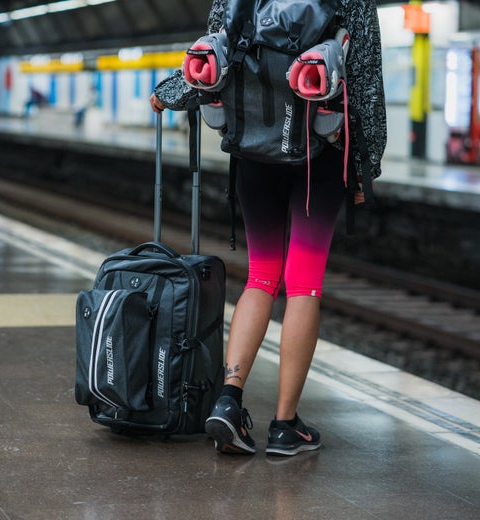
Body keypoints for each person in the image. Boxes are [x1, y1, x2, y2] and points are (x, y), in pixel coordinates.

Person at [149, 0, 387, 456]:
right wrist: (366, 165)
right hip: (321, 147)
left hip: (254, 147)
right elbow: (365, 82)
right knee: (303, 285)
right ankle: (284, 426)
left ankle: (228, 401)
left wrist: (170, 91)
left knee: (261, 275)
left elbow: (216, 56)